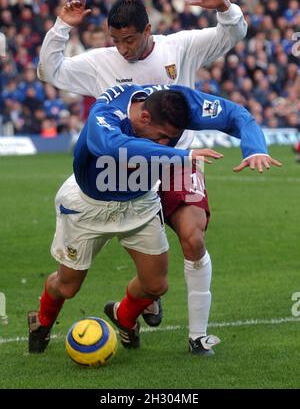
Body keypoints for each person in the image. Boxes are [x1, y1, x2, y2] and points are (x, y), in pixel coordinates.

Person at [37, 0, 248, 355]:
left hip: (178, 160)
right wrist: (61, 28)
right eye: (116, 40)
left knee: (193, 240)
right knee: (76, 283)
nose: (123, 49)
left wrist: (225, 9)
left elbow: (232, 35)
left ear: (148, 30)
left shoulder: (179, 47)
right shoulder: (99, 62)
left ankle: (197, 337)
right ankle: (127, 312)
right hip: (122, 172)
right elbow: (48, 71)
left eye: (129, 40)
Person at [28, 83, 282, 354]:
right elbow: (115, 147)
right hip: (88, 206)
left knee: (156, 285)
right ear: (144, 118)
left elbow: (234, 113)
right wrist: (182, 155)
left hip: (139, 202)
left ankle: (124, 318)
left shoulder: (177, 102)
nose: (165, 141)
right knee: (67, 287)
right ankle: (40, 321)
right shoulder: (105, 114)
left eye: (171, 138)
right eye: (161, 137)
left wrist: (255, 147)